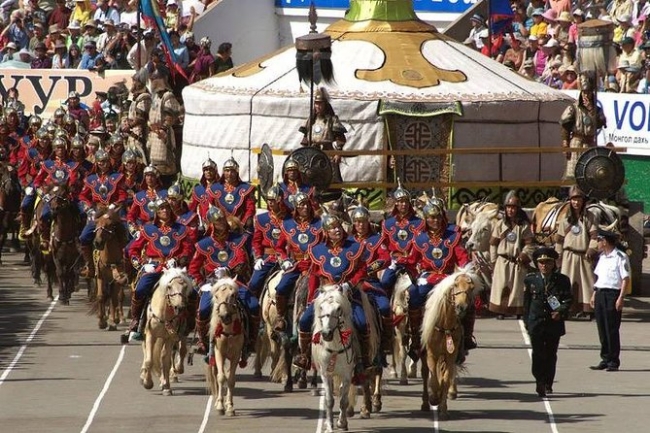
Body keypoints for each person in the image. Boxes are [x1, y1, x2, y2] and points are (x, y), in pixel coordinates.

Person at [293, 213, 370, 373]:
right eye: (332, 228)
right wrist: (311, 299)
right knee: (305, 320)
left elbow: (362, 270)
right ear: (326, 232)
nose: (337, 230)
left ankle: (364, 359)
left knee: (361, 322)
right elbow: (314, 277)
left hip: (347, 292)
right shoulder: (317, 250)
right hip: (325, 292)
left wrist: (350, 284)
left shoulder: (354, 246)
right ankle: (305, 355)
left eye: (338, 226)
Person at [397, 197, 473, 359]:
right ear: (426, 219)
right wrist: (403, 263)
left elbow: (461, 256)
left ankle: (466, 338)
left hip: (447, 278)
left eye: (437, 217)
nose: (435, 221)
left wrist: (465, 269)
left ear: (442, 217)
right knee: (414, 296)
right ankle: (416, 339)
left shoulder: (452, 236)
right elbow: (412, 259)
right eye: (431, 218)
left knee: (468, 299)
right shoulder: (419, 238)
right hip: (428, 276)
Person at [188, 205, 256, 358]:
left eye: (222, 220)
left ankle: (251, 340)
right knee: (203, 309)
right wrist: (200, 284)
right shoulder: (204, 244)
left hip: (233, 281)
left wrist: (230, 270)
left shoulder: (237, 240)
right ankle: (203, 341)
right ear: (212, 224)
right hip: (212, 284)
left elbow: (242, 260)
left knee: (254, 305)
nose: (222, 224)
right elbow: (193, 269)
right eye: (218, 222)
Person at [126, 198, 195, 341]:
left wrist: (177, 260)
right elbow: (133, 248)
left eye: (167, 208)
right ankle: (136, 321)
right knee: (140, 290)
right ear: (157, 212)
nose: (165, 211)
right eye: (162, 209)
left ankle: (190, 323)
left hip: (174, 269)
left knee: (193, 293)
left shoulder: (182, 229)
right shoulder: (148, 229)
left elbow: (188, 250)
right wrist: (140, 264)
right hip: (154, 267)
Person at [523, 247, 573, 397]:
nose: (544, 265)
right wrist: (527, 322)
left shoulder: (562, 280)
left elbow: (568, 300)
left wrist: (560, 311)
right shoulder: (531, 279)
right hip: (536, 322)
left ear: (553, 264)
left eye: (547, 262)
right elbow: (527, 303)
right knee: (538, 354)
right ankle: (539, 381)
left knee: (551, 354)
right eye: (541, 263)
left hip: (553, 323)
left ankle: (548, 383)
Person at [273, 191, 322, 332]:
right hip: (296, 265)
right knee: (281, 287)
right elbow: (279, 248)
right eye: (301, 205)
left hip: (315, 265)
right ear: (296, 208)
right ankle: (280, 316)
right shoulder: (287, 224)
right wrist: (285, 260)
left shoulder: (319, 223)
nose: (305, 208)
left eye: (307, 204)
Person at [349, 202, 393, 352]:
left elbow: (385, 258)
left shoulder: (377, 239)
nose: (360, 225)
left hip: (370, 281)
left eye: (363, 221)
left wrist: (367, 269)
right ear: (353, 223)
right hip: (350, 283)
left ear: (368, 222)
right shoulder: (347, 241)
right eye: (357, 222)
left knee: (385, 307)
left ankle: (387, 339)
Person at [78, 148, 128, 277]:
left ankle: (127, 264)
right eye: (100, 162)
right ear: (97, 163)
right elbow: (83, 196)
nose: (103, 164)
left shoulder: (117, 177)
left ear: (109, 162)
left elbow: (123, 196)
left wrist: (113, 206)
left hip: (114, 211)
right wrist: (89, 207)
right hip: (98, 211)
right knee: (84, 237)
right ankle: (89, 266)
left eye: (105, 162)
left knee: (127, 234)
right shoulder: (91, 179)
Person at [489, 191, 536, 319]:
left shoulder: (524, 226)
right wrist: (493, 261)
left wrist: (524, 254)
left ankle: (517, 310)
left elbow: (530, 244)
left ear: (517, 209)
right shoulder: (500, 224)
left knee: (517, 287)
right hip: (502, 260)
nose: (510, 210)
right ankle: (501, 310)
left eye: (513, 207)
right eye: (508, 207)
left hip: (517, 261)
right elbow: (493, 244)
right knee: (501, 285)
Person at [589, 229, 630, 372]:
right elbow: (599, 278)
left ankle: (613, 361)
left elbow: (625, 279)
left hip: (613, 294)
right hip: (600, 293)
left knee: (611, 328)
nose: (598, 243)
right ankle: (605, 358)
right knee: (601, 328)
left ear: (605, 241)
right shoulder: (602, 257)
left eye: (599, 240)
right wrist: (594, 294)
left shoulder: (620, 256)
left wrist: (621, 298)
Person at [555, 185, 598, 317]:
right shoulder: (565, 219)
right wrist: (558, 256)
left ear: (583, 201)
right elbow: (559, 240)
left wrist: (592, 248)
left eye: (579, 199)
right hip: (568, 255)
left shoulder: (589, 217)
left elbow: (594, 237)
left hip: (584, 255)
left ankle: (588, 310)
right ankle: (567, 309)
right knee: (567, 282)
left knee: (587, 283)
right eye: (574, 199)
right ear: (570, 201)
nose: (576, 202)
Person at [559, 72, 607, 181]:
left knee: (590, 172)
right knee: (573, 172)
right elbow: (565, 125)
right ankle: (572, 196)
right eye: (584, 92)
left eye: (588, 92)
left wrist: (593, 112)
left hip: (590, 142)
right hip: (577, 140)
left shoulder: (597, 109)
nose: (586, 95)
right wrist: (565, 143)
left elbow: (601, 124)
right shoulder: (573, 108)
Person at [379, 181, 424, 291]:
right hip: (394, 261)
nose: (403, 204)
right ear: (396, 204)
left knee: (418, 288)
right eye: (400, 202)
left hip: (413, 262)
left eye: (406, 202)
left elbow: (423, 245)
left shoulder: (420, 223)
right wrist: (389, 260)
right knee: (384, 282)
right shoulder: (387, 223)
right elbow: (383, 246)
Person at [299, 87, 347, 184]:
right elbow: (305, 138)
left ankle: (334, 197)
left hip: (327, 152)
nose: (318, 106)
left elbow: (340, 137)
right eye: (316, 103)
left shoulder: (332, 120)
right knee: (312, 177)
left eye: (320, 103)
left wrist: (338, 153)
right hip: (312, 152)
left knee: (330, 177)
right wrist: (303, 153)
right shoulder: (310, 120)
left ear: (325, 104)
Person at [248, 183, 289, 296]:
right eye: (268, 199)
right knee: (254, 284)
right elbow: (256, 241)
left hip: (287, 258)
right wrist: (259, 258)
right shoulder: (261, 218)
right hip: (267, 258)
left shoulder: (290, 218)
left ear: (280, 200)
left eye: (273, 200)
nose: (270, 202)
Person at [208, 157, 256, 231]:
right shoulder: (214, 188)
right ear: (223, 172)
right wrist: (218, 224)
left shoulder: (246, 188)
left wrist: (242, 224)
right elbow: (211, 208)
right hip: (220, 226)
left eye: (232, 171)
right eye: (227, 171)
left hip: (241, 227)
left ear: (237, 172)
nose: (230, 174)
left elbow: (250, 208)